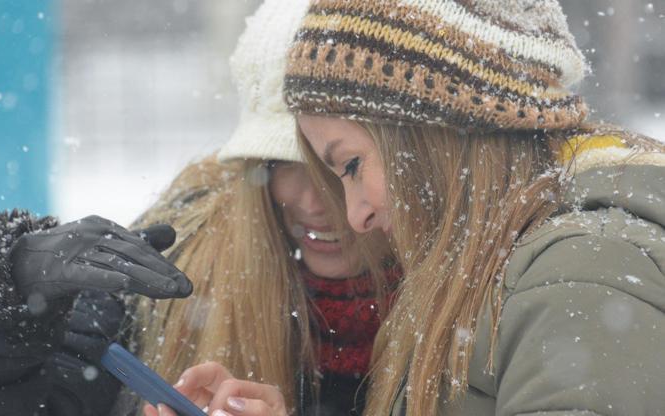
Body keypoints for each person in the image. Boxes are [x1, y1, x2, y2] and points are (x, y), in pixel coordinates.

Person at [0, 1, 394, 415]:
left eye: (344, 165)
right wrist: (1, 321)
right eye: (285, 163)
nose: (315, 202)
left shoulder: (467, 317)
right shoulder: (166, 284)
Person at [281, 0, 665, 415]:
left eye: (352, 166)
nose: (356, 216)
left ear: (434, 132)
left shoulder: (582, 276)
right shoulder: (494, 268)